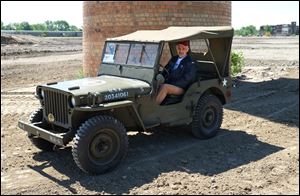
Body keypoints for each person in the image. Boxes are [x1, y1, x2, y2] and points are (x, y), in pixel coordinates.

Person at [156, 40, 197, 105]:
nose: (181, 51)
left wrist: (171, 83)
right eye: (179, 48)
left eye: (183, 49)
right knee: (155, 84)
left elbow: (187, 79)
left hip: (182, 87)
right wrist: (161, 76)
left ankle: (154, 107)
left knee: (165, 87)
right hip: (170, 83)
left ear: (187, 49)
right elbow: (166, 69)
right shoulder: (174, 59)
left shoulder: (190, 62)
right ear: (176, 49)